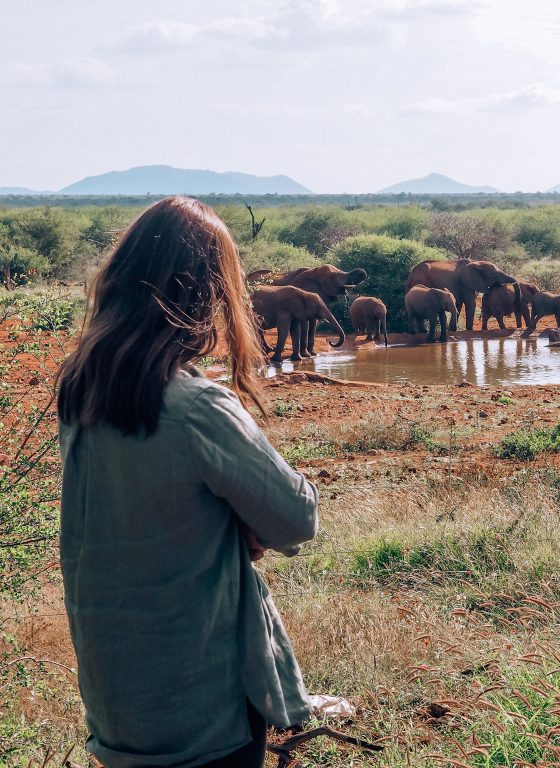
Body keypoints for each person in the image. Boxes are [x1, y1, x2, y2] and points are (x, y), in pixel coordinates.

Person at [57, 197, 318, 768]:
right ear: (202, 293)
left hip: (118, 694)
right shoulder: (197, 405)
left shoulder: (80, 389)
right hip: (203, 700)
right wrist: (243, 519)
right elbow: (295, 517)